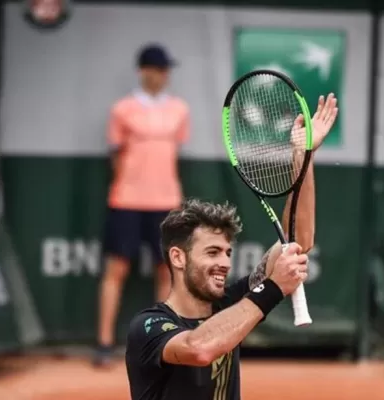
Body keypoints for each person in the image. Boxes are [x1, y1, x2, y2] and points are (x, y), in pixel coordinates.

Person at [125, 94, 338, 399]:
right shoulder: (148, 326)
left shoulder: (230, 304)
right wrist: (274, 288)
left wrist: (302, 157)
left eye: (227, 253)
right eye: (211, 252)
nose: (224, 263)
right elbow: (198, 348)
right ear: (178, 257)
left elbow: (297, 242)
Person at [95, 43, 191, 367]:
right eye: (158, 69)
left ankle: (161, 342)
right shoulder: (122, 109)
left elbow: (174, 151)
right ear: (144, 71)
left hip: (166, 201)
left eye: (166, 70)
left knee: (167, 270)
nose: (163, 76)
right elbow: (114, 155)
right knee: (116, 270)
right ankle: (104, 343)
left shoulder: (179, 110)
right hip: (126, 200)